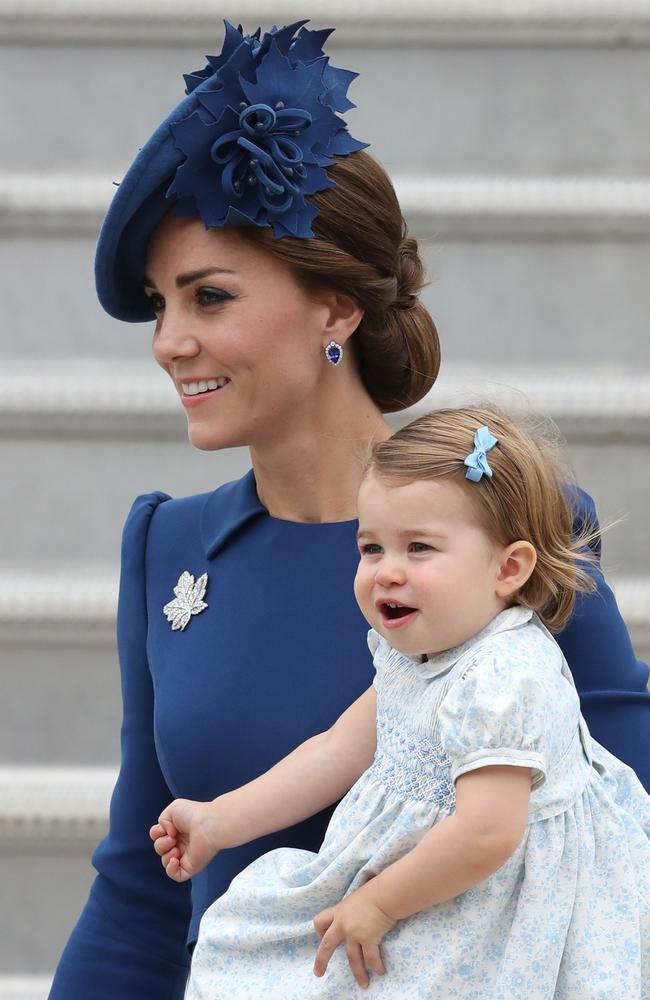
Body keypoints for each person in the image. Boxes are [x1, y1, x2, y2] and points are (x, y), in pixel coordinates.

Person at [48, 19, 650, 1000]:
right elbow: (141, 890)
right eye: (160, 306)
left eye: (207, 298)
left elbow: (628, 830)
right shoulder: (166, 545)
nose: (168, 342)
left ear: (336, 308)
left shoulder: (509, 524)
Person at [151, 406, 650, 999]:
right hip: (426, 887)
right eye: (370, 548)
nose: (386, 572)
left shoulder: (506, 675)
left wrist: (380, 903)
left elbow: (488, 832)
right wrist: (220, 819)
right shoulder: (413, 658)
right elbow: (338, 749)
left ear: (509, 568)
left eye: (418, 548)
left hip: (495, 912)